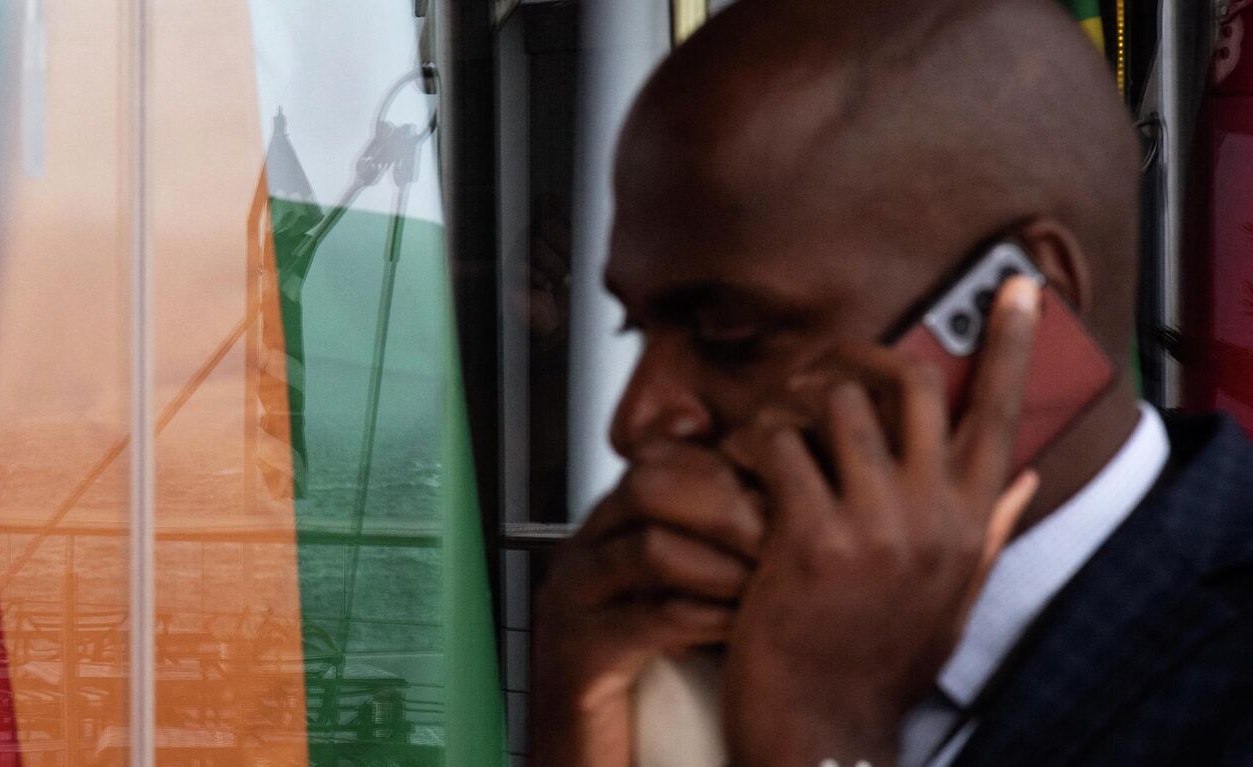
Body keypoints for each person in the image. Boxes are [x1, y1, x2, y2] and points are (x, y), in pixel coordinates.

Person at [532, 0, 1253, 765]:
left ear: (1026, 306)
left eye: (730, 335)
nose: (636, 416)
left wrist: (824, 738)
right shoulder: (655, 650)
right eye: (636, 329)